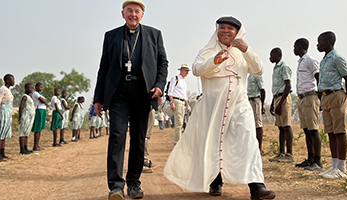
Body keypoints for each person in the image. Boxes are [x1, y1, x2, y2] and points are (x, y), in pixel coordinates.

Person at [163, 16, 275, 200]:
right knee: (213, 143)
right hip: (212, 106)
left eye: (230, 28)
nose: (225, 31)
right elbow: (197, 69)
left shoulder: (243, 52)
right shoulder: (207, 51)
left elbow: (259, 69)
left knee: (248, 142)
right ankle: (216, 182)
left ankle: (257, 186)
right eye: (222, 27)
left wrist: (246, 49)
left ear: (237, 33)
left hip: (239, 105)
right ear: (217, 30)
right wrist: (214, 61)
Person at [93, 1, 168, 199]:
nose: (133, 15)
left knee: (138, 138)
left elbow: (163, 63)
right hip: (118, 91)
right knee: (117, 135)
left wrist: (160, 86)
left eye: (137, 11)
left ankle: (134, 183)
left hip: (143, 91)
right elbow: (104, 67)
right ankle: (116, 186)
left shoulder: (154, 34)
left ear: (142, 15)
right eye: (129, 11)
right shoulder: (111, 36)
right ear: (122, 13)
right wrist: (98, 97)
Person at [316, 31, 347, 179]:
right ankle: (334, 165)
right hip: (326, 97)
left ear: (328, 42)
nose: (317, 45)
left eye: (320, 42)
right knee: (330, 132)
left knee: (339, 132)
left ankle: (342, 168)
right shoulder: (324, 60)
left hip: (337, 96)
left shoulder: (337, 58)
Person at [292, 38, 322, 171]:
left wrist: (320, 97)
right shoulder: (301, 62)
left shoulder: (310, 60)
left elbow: (318, 77)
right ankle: (310, 159)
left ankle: (318, 161)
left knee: (313, 130)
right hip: (302, 99)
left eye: (295, 47)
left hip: (311, 97)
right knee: (306, 130)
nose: (294, 50)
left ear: (300, 46)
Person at [268, 47, 294, 163]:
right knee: (280, 127)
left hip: (284, 98)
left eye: (271, 55)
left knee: (286, 126)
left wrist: (281, 103)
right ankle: (281, 153)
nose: (270, 58)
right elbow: (277, 88)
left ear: (277, 55)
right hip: (277, 97)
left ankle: (289, 154)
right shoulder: (276, 67)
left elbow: (288, 86)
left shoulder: (284, 67)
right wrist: (274, 103)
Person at [0, 74, 15, 162]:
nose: (14, 82)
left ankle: (2, 153)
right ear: (8, 81)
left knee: (4, 134)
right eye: (12, 80)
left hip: (8, 114)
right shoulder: (2, 89)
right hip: (2, 113)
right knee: (0, 134)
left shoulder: (8, 90)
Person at [168, 64, 191, 145]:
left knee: (181, 123)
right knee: (179, 123)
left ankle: (179, 141)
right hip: (176, 101)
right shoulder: (175, 79)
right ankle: (177, 143)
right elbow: (170, 92)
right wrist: (172, 102)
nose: (187, 73)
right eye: (185, 71)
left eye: (188, 71)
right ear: (181, 70)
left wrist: (187, 105)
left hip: (182, 102)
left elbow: (185, 95)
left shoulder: (184, 82)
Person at [247, 74, 265, 153]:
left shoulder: (257, 75)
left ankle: (259, 148)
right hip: (249, 100)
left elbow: (262, 90)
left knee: (258, 124)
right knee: (251, 124)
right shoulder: (249, 76)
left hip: (256, 100)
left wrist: (262, 105)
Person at [18, 83, 35, 155]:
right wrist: (20, 116)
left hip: (30, 116)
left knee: (26, 133)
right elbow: (21, 106)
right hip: (26, 116)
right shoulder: (25, 97)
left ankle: (25, 148)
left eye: (32, 88)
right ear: (25, 88)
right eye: (29, 88)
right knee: (22, 133)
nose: (31, 89)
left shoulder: (29, 97)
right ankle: (22, 150)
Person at [31, 83, 47, 151]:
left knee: (40, 128)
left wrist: (45, 101)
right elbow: (43, 101)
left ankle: (37, 145)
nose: (41, 88)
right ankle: (35, 146)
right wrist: (44, 101)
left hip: (43, 110)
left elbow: (45, 101)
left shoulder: (40, 94)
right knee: (37, 128)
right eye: (40, 87)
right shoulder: (35, 93)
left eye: (42, 87)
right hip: (38, 110)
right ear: (36, 87)